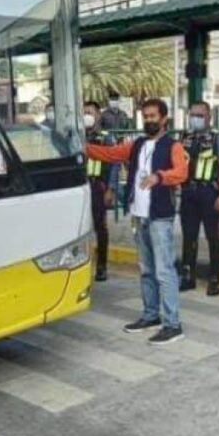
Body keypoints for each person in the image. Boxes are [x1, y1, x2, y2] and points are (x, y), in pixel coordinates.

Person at [86, 98, 188, 345]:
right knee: (146, 270)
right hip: (139, 215)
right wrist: (83, 147)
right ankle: (151, 315)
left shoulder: (172, 146)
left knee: (164, 271)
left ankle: (173, 324)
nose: (149, 120)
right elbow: (110, 154)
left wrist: (159, 176)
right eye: (146, 116)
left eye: (153, 116)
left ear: (164, 119)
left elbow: (182, 172)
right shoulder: (137, 144)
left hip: (160, 216)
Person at [179, 101, 219, 296]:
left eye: (200, 115)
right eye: (193, 114)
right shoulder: (185, 137)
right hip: (188, 192)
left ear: (209, 117)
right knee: (189, 234)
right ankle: (187, 276)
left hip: (209, 192)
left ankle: (215, 279)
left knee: (214, 236)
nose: (196, 119)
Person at [84, 101, 120, 282]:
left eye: (89, 112)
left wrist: (111, 189)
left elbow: (115, 164)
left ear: (98, 115)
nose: (86, 116)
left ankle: (102, 266)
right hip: (81, 187)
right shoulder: (77, 136)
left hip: (98, 186)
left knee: (101, 227)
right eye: (83, 112)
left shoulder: (106, 138)